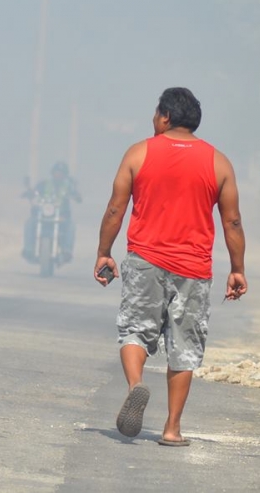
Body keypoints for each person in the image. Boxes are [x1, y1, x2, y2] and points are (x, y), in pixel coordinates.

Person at [93, 87, 247, 447]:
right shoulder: (218, 162)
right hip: (193, 268)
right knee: (184, 346)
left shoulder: (139, 152)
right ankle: (172, 429)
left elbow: (116, 208)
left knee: (135, 329)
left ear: (164, 117)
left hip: (145, 260)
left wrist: (104, 251)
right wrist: (237, 268)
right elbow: (233, 222)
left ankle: (136, 385)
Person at [22, 161, 82, 263]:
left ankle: (67, 251)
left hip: (62, 216)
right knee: (29, 222)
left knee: (71, 225)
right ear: (52, 173)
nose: (58, 174)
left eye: (61, 173)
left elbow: (77, 196)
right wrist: (29, 192)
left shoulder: (68, 186)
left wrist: (76, 196)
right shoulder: (44, 184)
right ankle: (28, 249)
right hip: (42, 215)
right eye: (56, 172)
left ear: (65, 175)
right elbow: (34, 192)